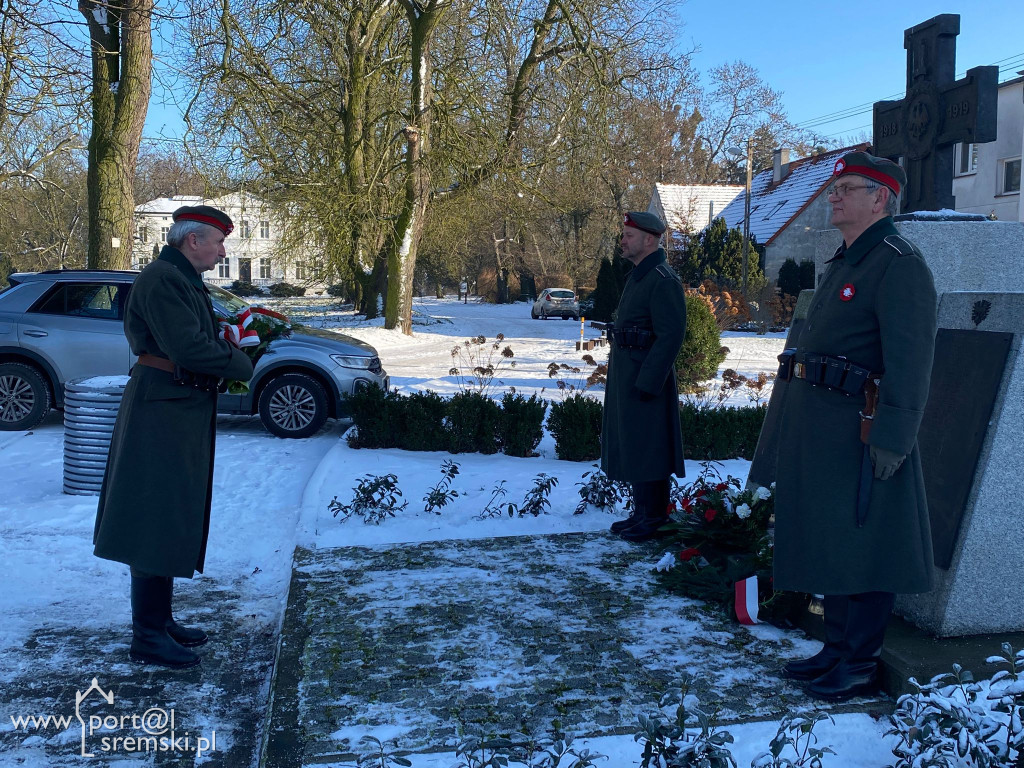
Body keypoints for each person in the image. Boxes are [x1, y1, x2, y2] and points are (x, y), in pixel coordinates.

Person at [773, 151, 937, 701]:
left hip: (864, 429)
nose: (833, 196)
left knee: (867, 543)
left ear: (880, 197)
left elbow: (911, 363)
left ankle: (860, 662)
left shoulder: (898, 262)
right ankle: (837, 648)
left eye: (846, 188)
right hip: (826, 430)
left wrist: (895, 435)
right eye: (835, 187)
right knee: (837, 539)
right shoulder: (848, 261)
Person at [94, 205, 254, 669]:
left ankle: (159, 621)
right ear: (193, 241)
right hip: (162, 408)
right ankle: (147, 634)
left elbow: (187, 338)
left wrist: (224, 337)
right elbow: (186, 347)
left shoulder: (179, 277)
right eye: (218, 242)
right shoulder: (166, 278)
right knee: (152, 516)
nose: (223, 250)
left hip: (173, 405)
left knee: (164, 514)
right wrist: (239, 360)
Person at [602, 211, 687, 542]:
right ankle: (641, 512)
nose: (623, 241)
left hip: (647, 378)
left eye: (629, 236)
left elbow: (671, 336)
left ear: (649, 240)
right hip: (629, 373)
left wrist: (649, 383)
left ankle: (654, 518)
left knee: (651, 446)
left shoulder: (663, 280)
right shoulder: (639, 276)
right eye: (623, 235)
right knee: (635, 443)